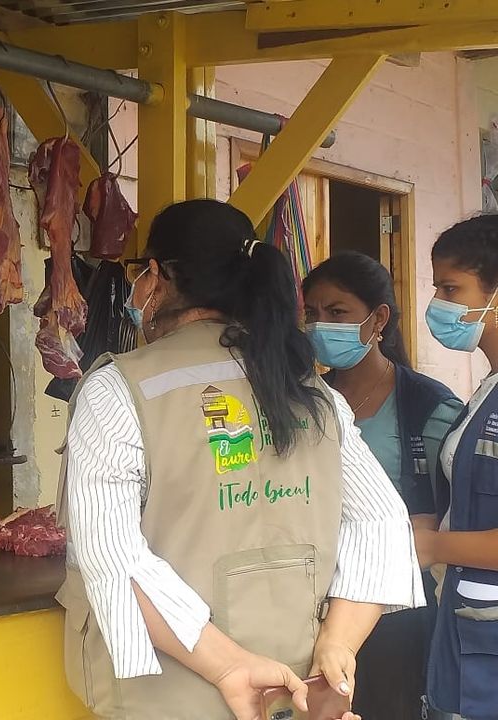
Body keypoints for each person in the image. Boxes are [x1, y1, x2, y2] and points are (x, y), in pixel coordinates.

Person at [55, 199, 424, 720]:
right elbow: (382, 523)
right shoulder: (310, 390)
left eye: (142, 275)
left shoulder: (119, 389)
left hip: (175, 697)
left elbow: (112, 556)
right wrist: (338, 644)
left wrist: (231, 667)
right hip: (294, 691)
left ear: (157, 277)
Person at [303, 252, 463, 720]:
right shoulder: (305, 399)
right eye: (311, 313)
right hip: (315, 601)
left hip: (397, 606)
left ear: (378, 319)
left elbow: (454, 507)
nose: (320, 325)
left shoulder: (429, 407)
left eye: (337, 312)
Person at [414, 215, 498, 720]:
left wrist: (432, 546)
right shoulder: (488, 388)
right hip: (467, 632)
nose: (438, 304)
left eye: (451, 289)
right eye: (436, 288)